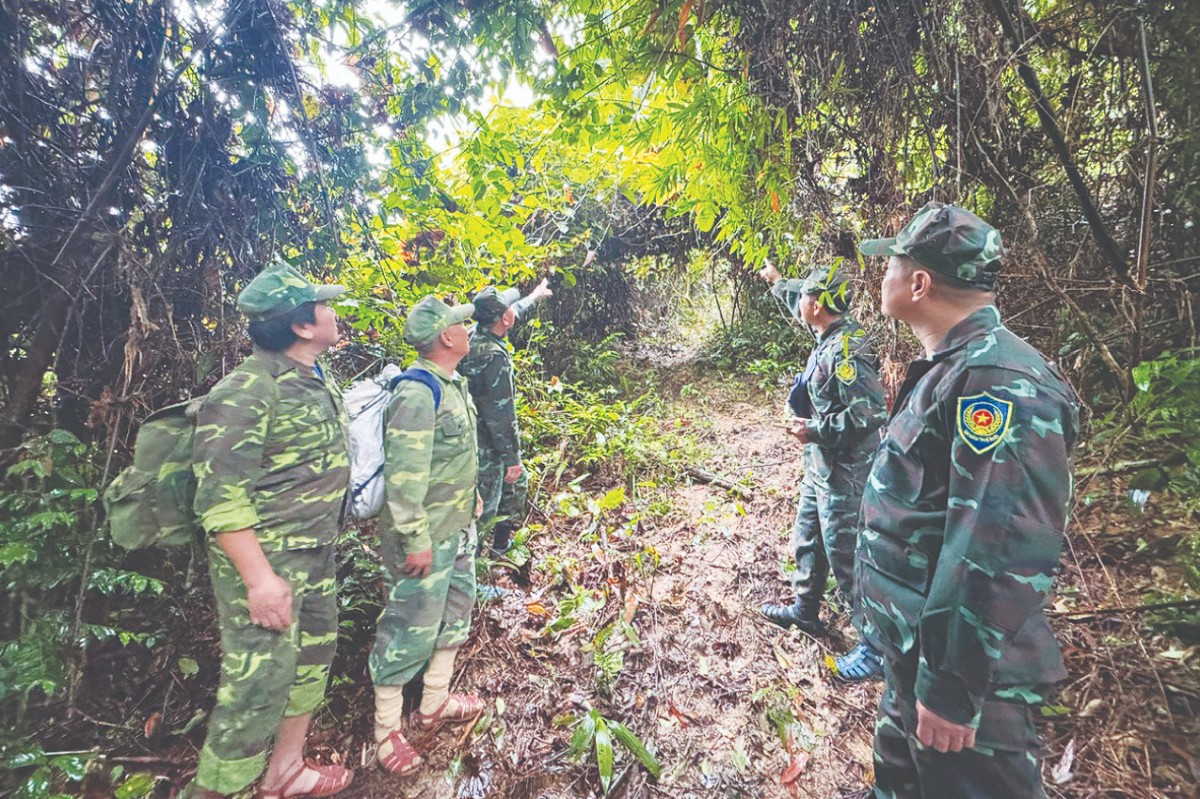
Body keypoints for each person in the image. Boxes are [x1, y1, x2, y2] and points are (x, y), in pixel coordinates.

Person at [849, 202, 1078, 798]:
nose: (883, 278)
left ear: (918, 282)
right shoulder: (953, 368)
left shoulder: (999, 383)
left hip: (968, 689)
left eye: (889, 265)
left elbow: (994, 543)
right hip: (916, 654)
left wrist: (950, 686)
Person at [184, 262, 353, 799]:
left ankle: (285, 773)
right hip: (269, 566)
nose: (333, 312)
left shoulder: (311, 380)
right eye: (324, 306)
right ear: (304, 326)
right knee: (255, 688)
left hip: (315, 555)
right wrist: (259, 580)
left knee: (311, 662)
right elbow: (220, 498)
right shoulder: (245, 392)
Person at [369, 295, 486, 776]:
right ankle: (385, 732)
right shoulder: (417, 392)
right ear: (445, 337)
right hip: (425, 537)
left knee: (456, 611)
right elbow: (404, 475)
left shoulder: (452, 384)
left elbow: (454, 456)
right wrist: (414, 536)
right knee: (407, 628)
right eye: (462, 325)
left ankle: (435, 701)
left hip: (457, 527)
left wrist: (472, 498)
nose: (469, 330)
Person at [758, 260, 888, 681]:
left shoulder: (849, 351)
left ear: (817, 304)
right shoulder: (828, 335)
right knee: (808, 539)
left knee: (847, 556)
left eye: (805, 296)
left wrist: (813, 429)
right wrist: (778, 283)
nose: (800, 301)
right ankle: (806, 610)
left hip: (846, 474)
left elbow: (870, 415)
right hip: (820, 468)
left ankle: (874, 648)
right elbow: (795, 293)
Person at [458, 276, 555, 556]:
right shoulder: (492, 357)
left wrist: (535, 295)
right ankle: (474, 572)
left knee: (516, 487)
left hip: (479, 438)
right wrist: (510, 457)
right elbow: (500, 413)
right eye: (508, 309)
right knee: (482, 510)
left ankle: (501, 547)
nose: (513, 311)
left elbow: (514, 311)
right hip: (485, 445)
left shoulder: (476, 334)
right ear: (503, 319)